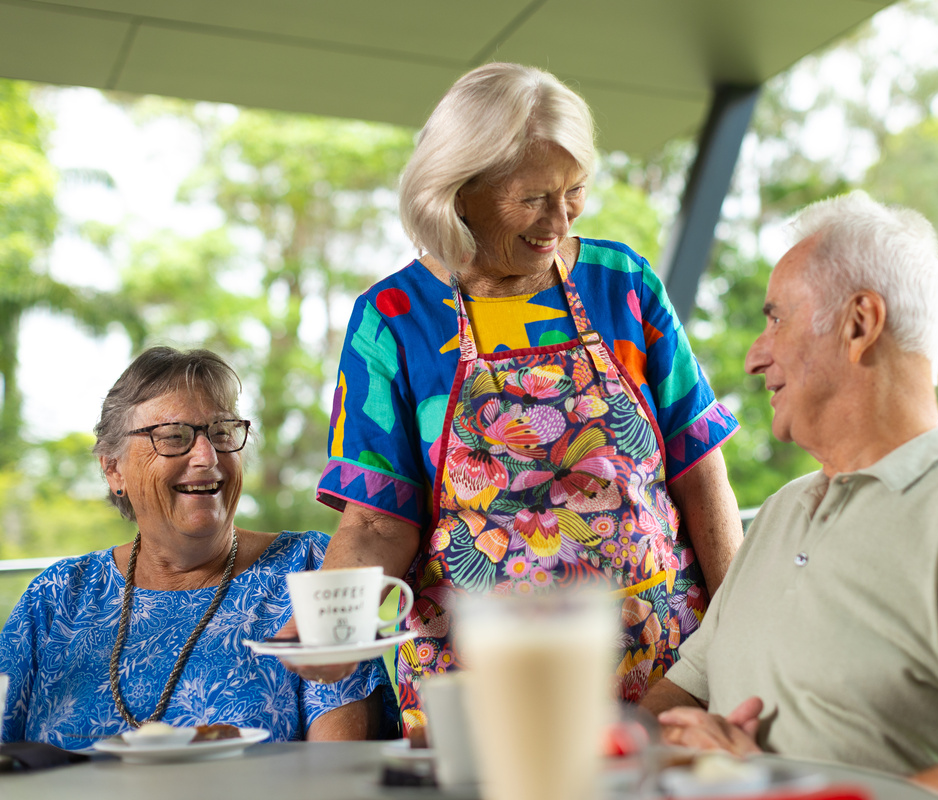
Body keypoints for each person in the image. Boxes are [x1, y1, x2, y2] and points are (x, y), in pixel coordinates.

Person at [303, 62, 744, 731]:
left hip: (664, 679)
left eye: (574, 191)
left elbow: (701, 476)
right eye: (534, 198)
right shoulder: (393, 319)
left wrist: (743, 635)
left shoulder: (621, 282)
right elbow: (374, 522)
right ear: (459, 190)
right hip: (484, 697)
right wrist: (332, 627)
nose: (558, 220)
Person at [640, 192, 938, 800]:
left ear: (860, 323)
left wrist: (776, 792)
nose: (754, 356)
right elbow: (675, 701)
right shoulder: (781, 512)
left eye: (776, 319)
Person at [0, 347, 395, 748]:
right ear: (114, 468)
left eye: (222, 432)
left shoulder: (311, 573)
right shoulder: (57, 598)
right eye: (173, 437)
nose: (207, 457)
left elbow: (339, 773)